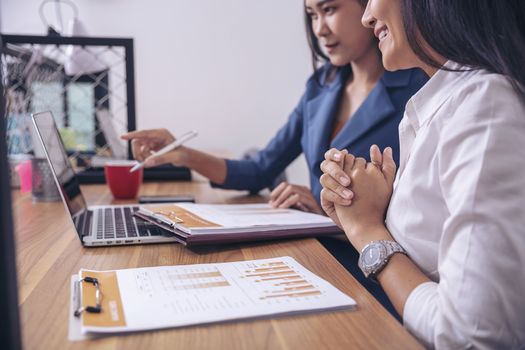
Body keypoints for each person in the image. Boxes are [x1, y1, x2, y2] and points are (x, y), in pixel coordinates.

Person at [122, 0, 426, 317]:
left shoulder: (416, 90)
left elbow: (419, 221)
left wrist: (328, 214)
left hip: (373, 272)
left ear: (369, 8)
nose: (320, 28)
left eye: (330, 9)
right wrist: (182, 153)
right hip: (313, 258)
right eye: (312, 15)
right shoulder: (321, 87)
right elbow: (260, 168)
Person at [319, 0, 525, 348]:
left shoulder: (484, 103)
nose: (368, 16)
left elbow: (470, 336)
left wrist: (367, 230)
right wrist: (362, 210)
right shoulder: (440, 104)